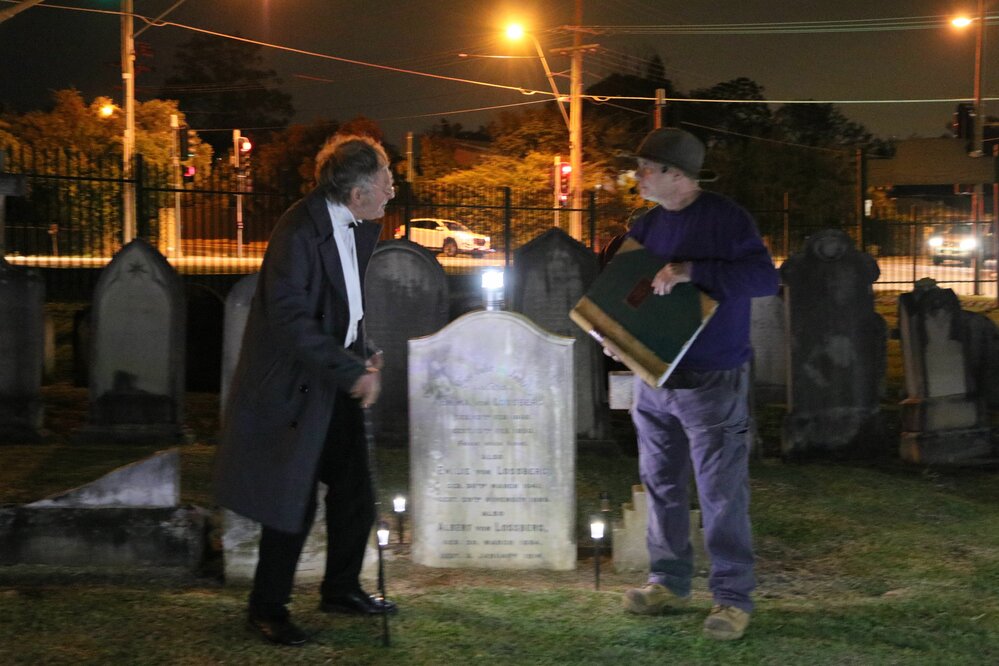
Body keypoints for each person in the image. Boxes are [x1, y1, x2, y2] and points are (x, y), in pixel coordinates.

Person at [213, 134, 397, 647]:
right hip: (296, 386)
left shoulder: (355, 225)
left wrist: (364, 351)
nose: (392, 189)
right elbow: (291, 320)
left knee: (355, 491)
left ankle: (340, 588)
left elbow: (345, 305)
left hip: (332, 377)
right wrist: (351, 371)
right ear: (356, 192)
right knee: (289, 498)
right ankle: (266, 608)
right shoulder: (299, 231)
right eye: (385, 179)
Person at [614, 127, 779, 641]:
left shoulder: (726, 220)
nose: (637, 175)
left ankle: (732, 598)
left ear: (676, 174)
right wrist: (613, 334)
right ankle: (668, 580)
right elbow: (632, 291)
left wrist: (691, 271)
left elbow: (764, 279)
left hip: (712, 376)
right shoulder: (646, 223)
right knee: (661, 483)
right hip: (654, 375)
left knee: (720, 492)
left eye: (646, 167)